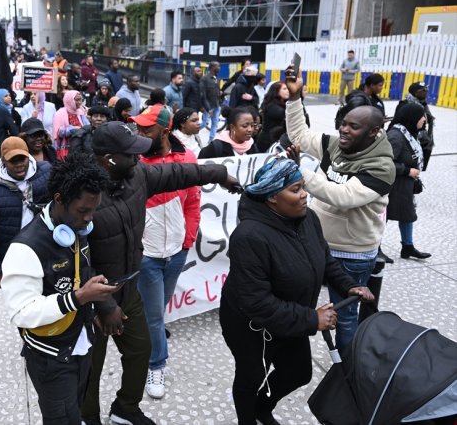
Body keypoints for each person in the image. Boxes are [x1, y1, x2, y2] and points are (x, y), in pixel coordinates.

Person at [81, 121, 240, 425]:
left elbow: (180, 173)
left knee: (141, 350)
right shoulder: (82, 197)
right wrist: (104, 305)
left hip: (129, 289)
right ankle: (88, 418)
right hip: (93, 302)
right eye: (131, 153)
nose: (139, 158)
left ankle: (125, 408)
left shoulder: (137, 175)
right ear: (108, 159)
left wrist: (220, 175)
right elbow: (76, 259)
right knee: (90, 368)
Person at [220, 158, 373, 425]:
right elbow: (256, 302)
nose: (304, 195)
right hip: (251, 327)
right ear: (272, 198)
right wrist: (312, 319)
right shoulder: (248, 236)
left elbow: (324, 259)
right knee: (251, 378)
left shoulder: (307, 218)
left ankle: (261, 408)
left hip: (293, 316)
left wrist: (349, 284)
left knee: (299, 372)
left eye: (303, 187)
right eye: (295, 189)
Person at [1, 153, 118, 425]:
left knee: (75, 409)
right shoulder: (25, 248)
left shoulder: (76, 227)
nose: (89, 219)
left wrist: (94, 304)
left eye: (93, 211)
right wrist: (78, 298)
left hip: (81, 342)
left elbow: (81, 273)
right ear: (58, 200)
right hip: (51, 358)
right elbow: (22, 313)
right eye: (82, 211)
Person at [285, 67, 395, 350]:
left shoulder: (382, 167)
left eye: (353, 127)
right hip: (319, 244)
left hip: (352, 255)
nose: (344, 130)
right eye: (343, 123)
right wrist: (295, 98)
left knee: (345, 318)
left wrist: (300, 174)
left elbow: (342, 196)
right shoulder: (337, 146)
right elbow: (299, 134)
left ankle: (346, 374)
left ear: (374, 132)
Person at [130, 105, 201, 400]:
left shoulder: (186, 158)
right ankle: (156, 364)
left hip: (176, 253)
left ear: (164, 130)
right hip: (146, 256)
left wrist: (187, 241)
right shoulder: (133, 161)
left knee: (158, 310)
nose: (140, 132)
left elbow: (193, 202)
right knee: (155, 316)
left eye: (147, 128)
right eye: (139, 127)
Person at [0, 136, 52, 288]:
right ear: (3, 161)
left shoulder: (47, 173)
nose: (19, 165)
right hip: (13, 256)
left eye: (22, 159)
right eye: (13, 161)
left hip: (47, 251)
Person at [386, 102, 430, 260]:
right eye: (421, 116)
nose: (424, 119)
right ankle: (374, 249)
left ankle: (408, 247)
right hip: (392, 186)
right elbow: (384, 163)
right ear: (412, 118)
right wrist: (407, 170)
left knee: (407, 214)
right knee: (382, 216)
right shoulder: (396, 136)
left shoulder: (409, 132)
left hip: (404, 186)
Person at [399, 81, 434, 170]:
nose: (426, 91)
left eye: (427, 89)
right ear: (415, 92)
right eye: (423, 89)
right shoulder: (405, 104)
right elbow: (399, 121)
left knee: (419, 168)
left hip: (423, 140)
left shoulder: (423, 104)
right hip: (409, 139)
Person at [52, 90, 88, 160]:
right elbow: (58, 132)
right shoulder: (59, 114)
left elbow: (87, 127)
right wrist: (74, 129)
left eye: (81, 100)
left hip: (80, 148)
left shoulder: (80, 112)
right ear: (69, 100)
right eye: (77, 100)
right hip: (66, 150)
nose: (80, 102)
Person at [256, 82, 290, 152]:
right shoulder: (272, 106)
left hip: (277, 140)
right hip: (268, 141)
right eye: (284, 89)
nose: (288, 91)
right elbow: (286, 114)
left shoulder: (283, 104)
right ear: (276, 91)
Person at [200, 61, 222, 138]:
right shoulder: (204, 78)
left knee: (215, 123)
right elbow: (203, 94)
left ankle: (211, 140)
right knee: (205, 123)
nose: (219, 68)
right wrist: (205, 107)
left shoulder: (217, 78)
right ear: (212, 67)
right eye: (217, 66)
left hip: (217, 104)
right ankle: (191, 132)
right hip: (208, 106)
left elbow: (216, 90)